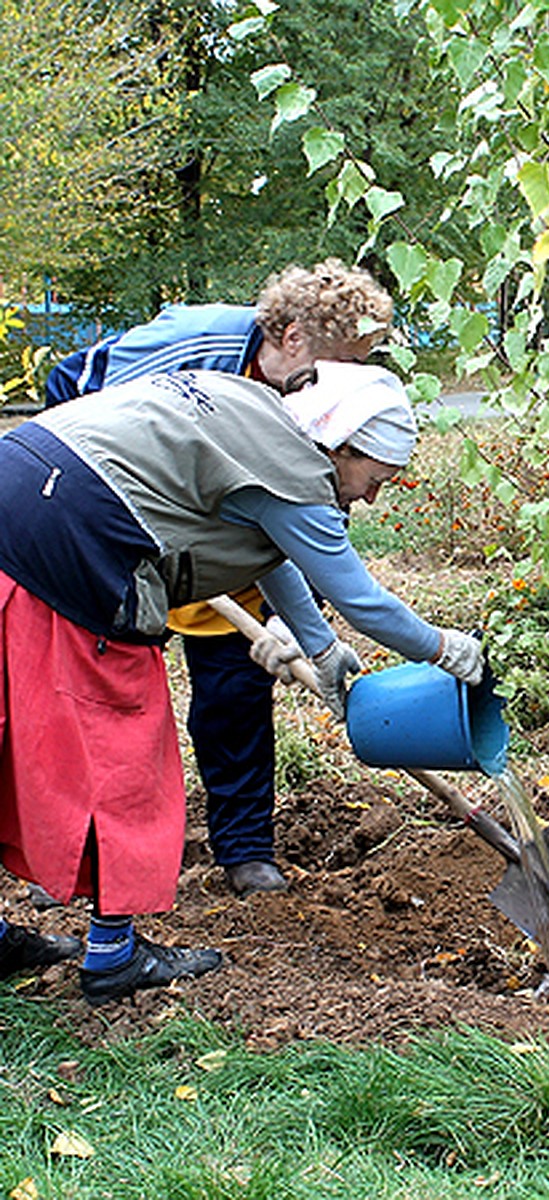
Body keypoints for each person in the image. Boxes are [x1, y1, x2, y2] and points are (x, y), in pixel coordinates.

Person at [0, 361, 484, 1004]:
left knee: (10, 731)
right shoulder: (299, 471)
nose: (372, 497)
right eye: (377, 477)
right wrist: (447, 650)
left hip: (18, 489)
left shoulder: (258, 416)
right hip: (78, 539)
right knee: (119, 748)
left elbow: (264, 541)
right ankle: (113, 955)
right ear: (342, 443)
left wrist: (321, 648)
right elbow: (364, 600)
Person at [43, 259, 393, 898]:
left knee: (235, 685)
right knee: (104, 699)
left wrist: (299, 621)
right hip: (120, 538)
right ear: (292, 339)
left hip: (224, 536)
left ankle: (245, 849)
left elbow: (306, 526)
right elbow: (86, 417)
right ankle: (73, 852)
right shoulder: (194, 348)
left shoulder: (311, 407)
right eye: (344, 363)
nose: (349, 383)